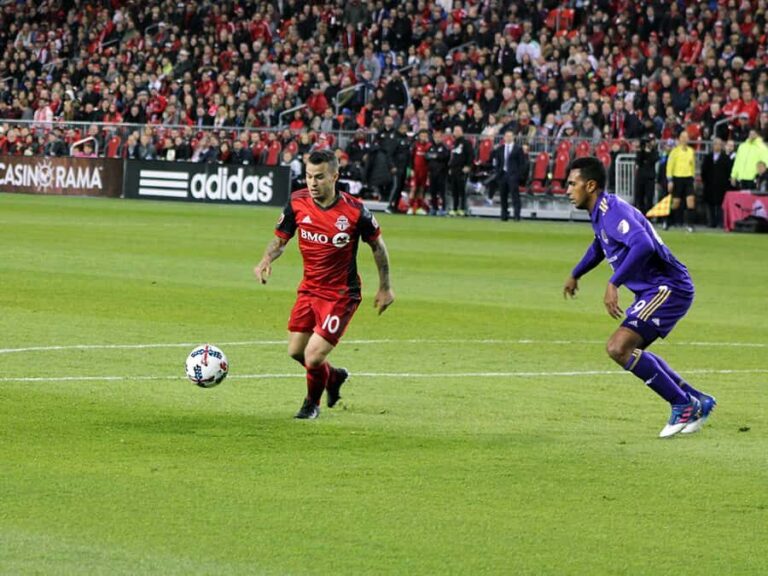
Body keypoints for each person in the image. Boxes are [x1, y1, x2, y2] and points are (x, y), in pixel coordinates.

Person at [563, 157, 716, 438]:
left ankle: (683, 404)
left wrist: (614, 282)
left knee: (618, 347)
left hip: (668, 287)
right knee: (629, 349)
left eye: (573, 184)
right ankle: (697, 399)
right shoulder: (602, 212)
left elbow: (643, 245)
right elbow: (600, 245)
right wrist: (576, 273)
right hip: (655, 289)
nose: (568, 190)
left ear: (591, 185)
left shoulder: (611, 211)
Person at [253, 149, 395, 419]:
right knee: (296, 351)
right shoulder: (297, 202)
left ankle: (311, 404)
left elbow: (378, 246)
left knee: (314, 355)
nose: (312, 183)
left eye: (319, 177)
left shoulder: (355, 211)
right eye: (308, 176)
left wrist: (385, 287)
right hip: (309, 289)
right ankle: (334, 377)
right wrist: (265, 259)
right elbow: (280, 240)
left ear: (334, 177)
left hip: (341, 293)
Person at [492, 128, 528, 221]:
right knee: (503, 196)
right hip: (503, 175)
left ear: (513, 137)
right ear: (504, 137)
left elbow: (522, 163)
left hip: (513, 175)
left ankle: (517, 215)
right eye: (507, 136)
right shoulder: (500, 149)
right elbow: (497, 162)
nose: (508, 138)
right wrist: (498, 173)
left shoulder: (518, 149)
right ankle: (504, 215)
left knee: (515, 196)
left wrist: (518, 175)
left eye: (510, 136)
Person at [664, 130, 696, 232]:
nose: (685, 139)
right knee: (676, 203)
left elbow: (693, 166)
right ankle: (667, 221)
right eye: (683, 137)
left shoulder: (691, 151)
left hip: (688, 178)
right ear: (679, 139)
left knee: (690, 201)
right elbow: (670, 166)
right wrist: (670, 180)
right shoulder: (675, 151)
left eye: (686, 137)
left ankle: (690, 225)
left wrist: (693, 178)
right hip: (677, 178)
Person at [700, 138, 732, 228]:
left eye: (719, 144)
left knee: (721, 205)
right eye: (716, 144)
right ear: (713, 146)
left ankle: (720, 222)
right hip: (709, 185)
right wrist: (705, 181)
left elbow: (729, 171)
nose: (717, 146)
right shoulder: (708, 157)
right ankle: (711, 222)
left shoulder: (726, 158)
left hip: (722, 185)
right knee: (709, 204)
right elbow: (703, 171)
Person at [634, 135, 659, 217]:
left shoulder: (655, 152)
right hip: (640, 177)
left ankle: (649, 216)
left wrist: (648, 152)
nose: (649, 143)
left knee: (649, 198)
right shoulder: (641, 151)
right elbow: (638, 161)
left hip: (650, 178)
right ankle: (641, 215)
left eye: (651, 141)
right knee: (639, 197)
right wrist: (642, 151)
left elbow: (653, 160)